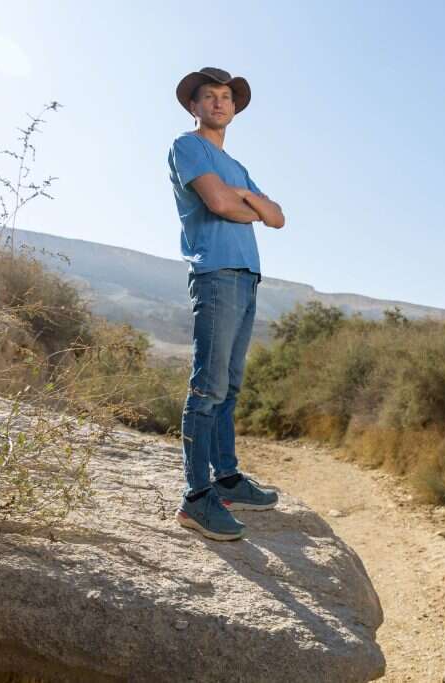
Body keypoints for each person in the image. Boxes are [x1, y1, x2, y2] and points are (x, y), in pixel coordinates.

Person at [167, 67, 285, 541]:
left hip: (246, 277)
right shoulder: (188, 146)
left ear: (234, 109)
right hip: (215, 273)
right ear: (193, 106)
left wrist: (245, 195)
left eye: (225, 97)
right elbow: (218, 204)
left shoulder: (236, 166)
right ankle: (196, 498)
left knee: (229, 387)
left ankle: (227, 480)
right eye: (209, 96)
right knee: (208, 388)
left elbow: (277, 217)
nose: (218, 103)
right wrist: (245, 204)